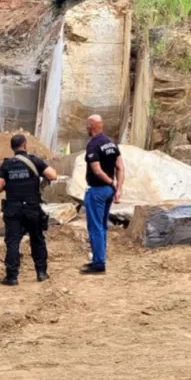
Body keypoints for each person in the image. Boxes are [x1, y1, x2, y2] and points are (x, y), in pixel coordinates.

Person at [0, 134, 57, 286]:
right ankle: (41, 273)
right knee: (37, 239)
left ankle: (12, 277)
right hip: (31, 208)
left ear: (12, 148)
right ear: (25, 145)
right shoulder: (35, 161)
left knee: (13, 242)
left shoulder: (6, 165)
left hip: (13, 209)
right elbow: (53, 176)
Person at [82, 114, 124, 275]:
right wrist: (118, 188)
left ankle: (99, 263)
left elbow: (97, 170)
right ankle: (98, 258)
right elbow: (120, 167)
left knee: (95, 227)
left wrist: (111, 183)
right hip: (108, 192)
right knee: (102, 226)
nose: (86, 128)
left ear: (91, 126)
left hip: (98, 190)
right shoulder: (111, 143)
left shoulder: (93, 145)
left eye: (87, 125)